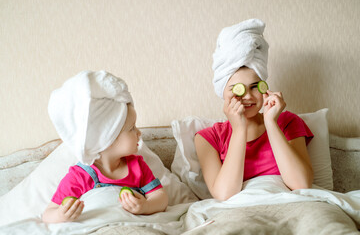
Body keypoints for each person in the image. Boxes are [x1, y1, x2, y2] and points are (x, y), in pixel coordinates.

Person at [194, 19, 314, 201]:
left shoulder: (288, 122)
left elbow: (301, 184)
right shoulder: (208, 138)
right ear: (223, 92)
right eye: (237, 89)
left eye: (254, 86)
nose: (248, 97)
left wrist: (271, 123)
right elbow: (224, 194)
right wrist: (239, 129)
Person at [42, 70, 168, 223]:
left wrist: (145, 206)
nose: (139, 133)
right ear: (107, 138)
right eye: (132, 128)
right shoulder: (79, 176)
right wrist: (61, 215)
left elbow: (160, 198)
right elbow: (48, 214)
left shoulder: (137, 166)